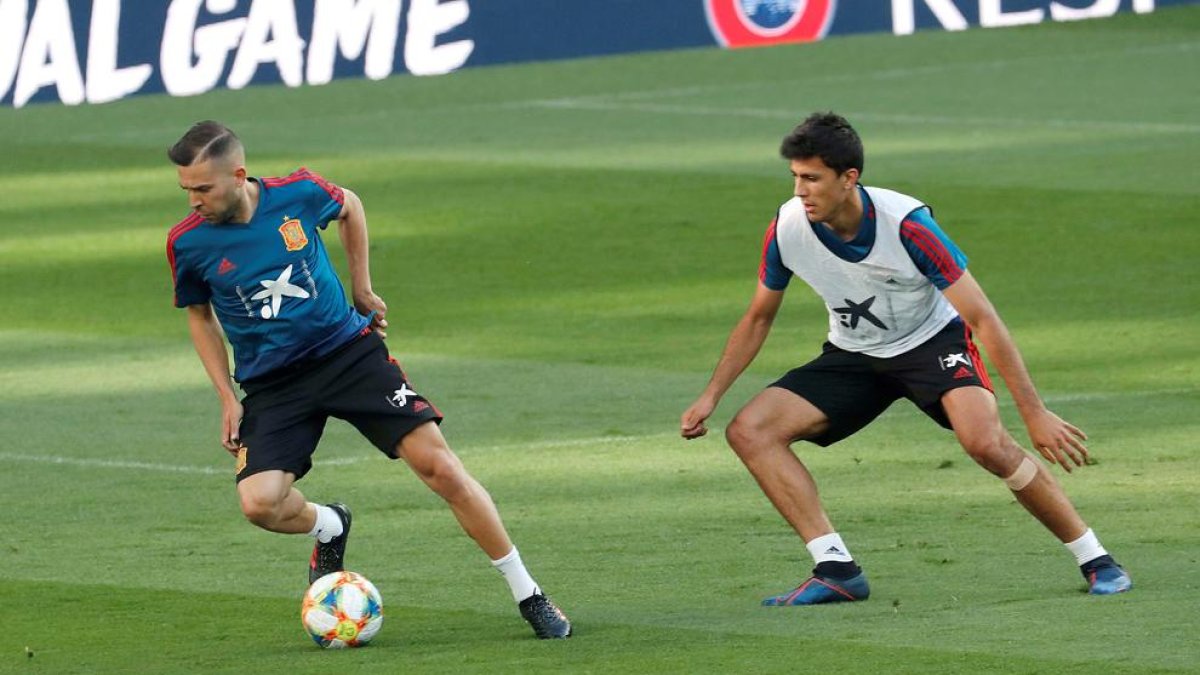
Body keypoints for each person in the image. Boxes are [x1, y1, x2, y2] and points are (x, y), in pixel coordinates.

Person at [679, 112, 1131, 605]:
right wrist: (711, 396)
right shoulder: (788, 227)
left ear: (849, 178)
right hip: (855, 353)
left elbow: (983, 319)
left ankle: (1097, 559)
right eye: (795, 178)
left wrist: (1034, 411)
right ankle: (836, 569)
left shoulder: (910, 227)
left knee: (985, 445)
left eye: (812, 178)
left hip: (933, 344)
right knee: (750, 430)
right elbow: (758, 318)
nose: (800, 191)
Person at [165, 120, 571, 638]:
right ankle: (329, 524)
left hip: (349, 355)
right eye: (186, 190)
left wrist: (363, 288)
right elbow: (198, 314)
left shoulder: (299, 194)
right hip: (273, 383)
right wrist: (226, 396)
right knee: (260, 504)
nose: (193, 200)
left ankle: (529, 593)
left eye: (202, 188)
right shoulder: (188, 243)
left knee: (441, 469)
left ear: (238, 175)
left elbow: (350, 206)